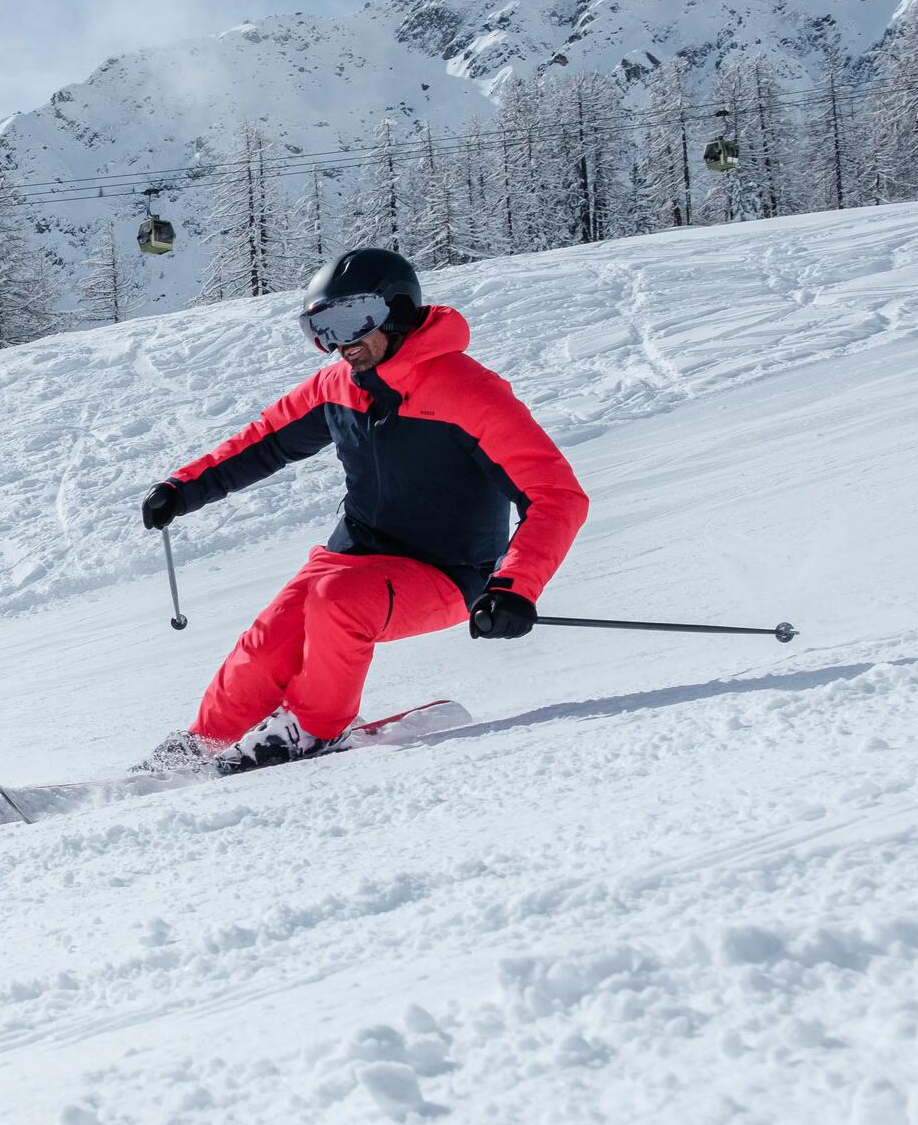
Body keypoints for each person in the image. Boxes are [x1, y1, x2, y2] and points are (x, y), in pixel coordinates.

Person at [140, 248, 588, 775]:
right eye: (322, 328)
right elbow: (264, 441)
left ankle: (313, 728)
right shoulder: (338, 387)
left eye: (352, 320)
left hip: (447, 571)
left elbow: (555, 495)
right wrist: (182, 489)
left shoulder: (471, 394)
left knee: (338, 601)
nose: (339, 343)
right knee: (269, 640)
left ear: (398, 311)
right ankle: (207, 744)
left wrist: (514, 588)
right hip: (354, 553)